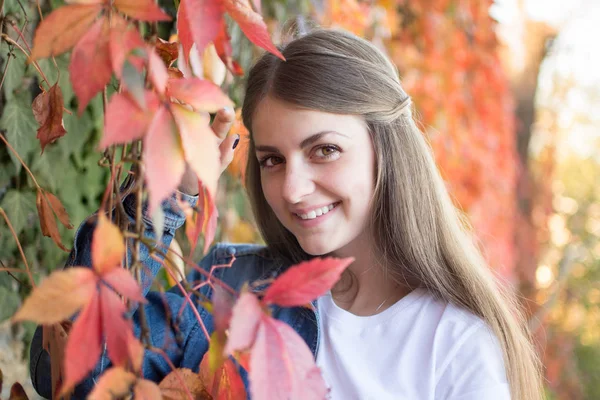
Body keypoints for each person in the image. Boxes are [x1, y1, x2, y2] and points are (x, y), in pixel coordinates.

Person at [30, 29, 543, 399]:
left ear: (385, 149)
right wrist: (162, 195)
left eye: (324, 150)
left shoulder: (454, 345)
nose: (293, 190)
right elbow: (68, 374)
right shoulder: (234, 284)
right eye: (272, 159)